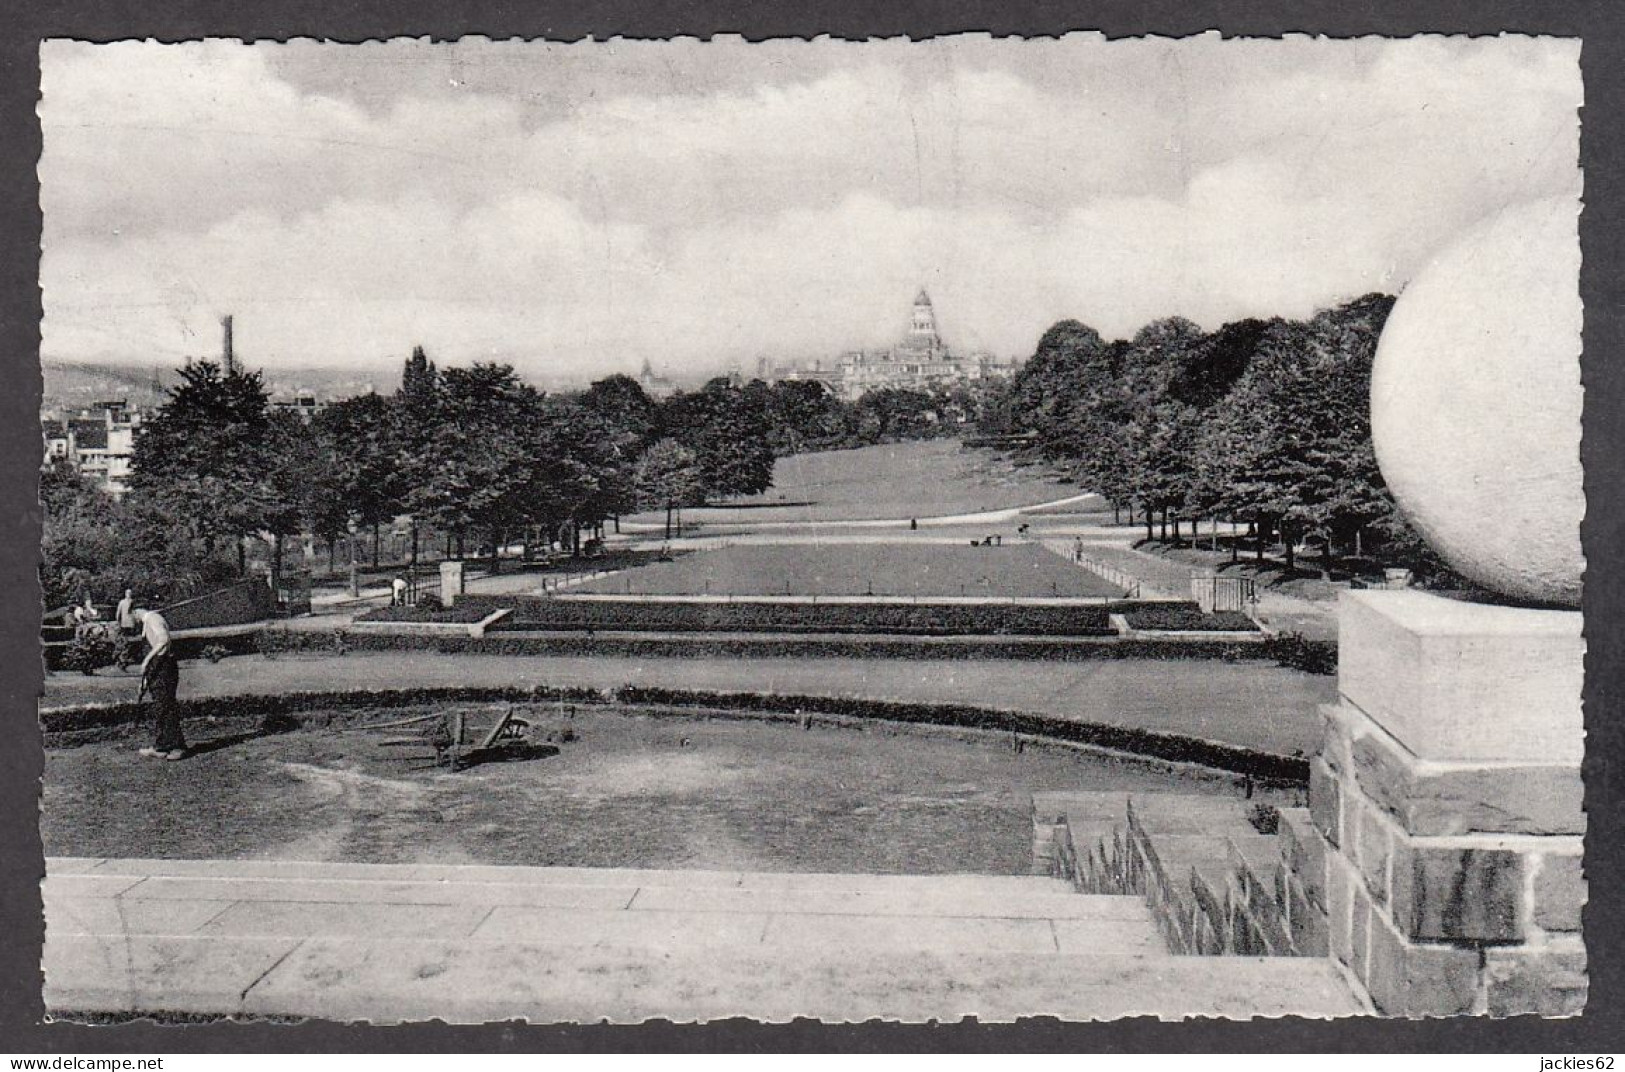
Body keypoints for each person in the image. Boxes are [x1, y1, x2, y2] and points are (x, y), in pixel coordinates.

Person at [134, 608, 186, 761]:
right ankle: (162, 746)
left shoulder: (152, 619)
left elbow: (164, 640)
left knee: (166, 707)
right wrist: (144, 682)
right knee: (160, 708)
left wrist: (146, 660)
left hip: (164, 670)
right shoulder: (148, 621)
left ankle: (178, 747)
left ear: (135, 612)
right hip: (157, 670)